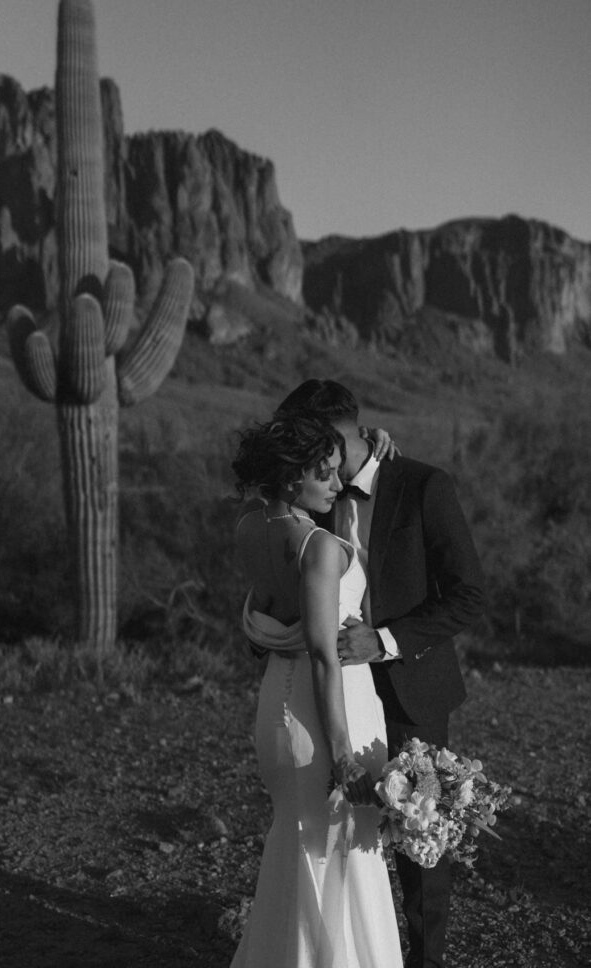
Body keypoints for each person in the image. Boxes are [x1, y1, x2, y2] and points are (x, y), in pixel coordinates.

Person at [276, 379, 485, 968]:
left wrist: (385, 641)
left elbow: (469, 595)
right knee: (337, 831)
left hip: (411, 689)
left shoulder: (423, 485)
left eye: (308, 442)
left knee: (421, 843)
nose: (300, 457)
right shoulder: (309, 497)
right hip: (336, 693)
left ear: (339, 438)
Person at [230, 413, 404, 968]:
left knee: (297, 849)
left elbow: (265, 616)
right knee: (344, 853)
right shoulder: (321, 548)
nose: (336, 482)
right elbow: (327, 658)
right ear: (289, 480)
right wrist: (344, 755)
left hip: (275, 710)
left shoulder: (247, 529)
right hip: (323, 712)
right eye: (325, 474)